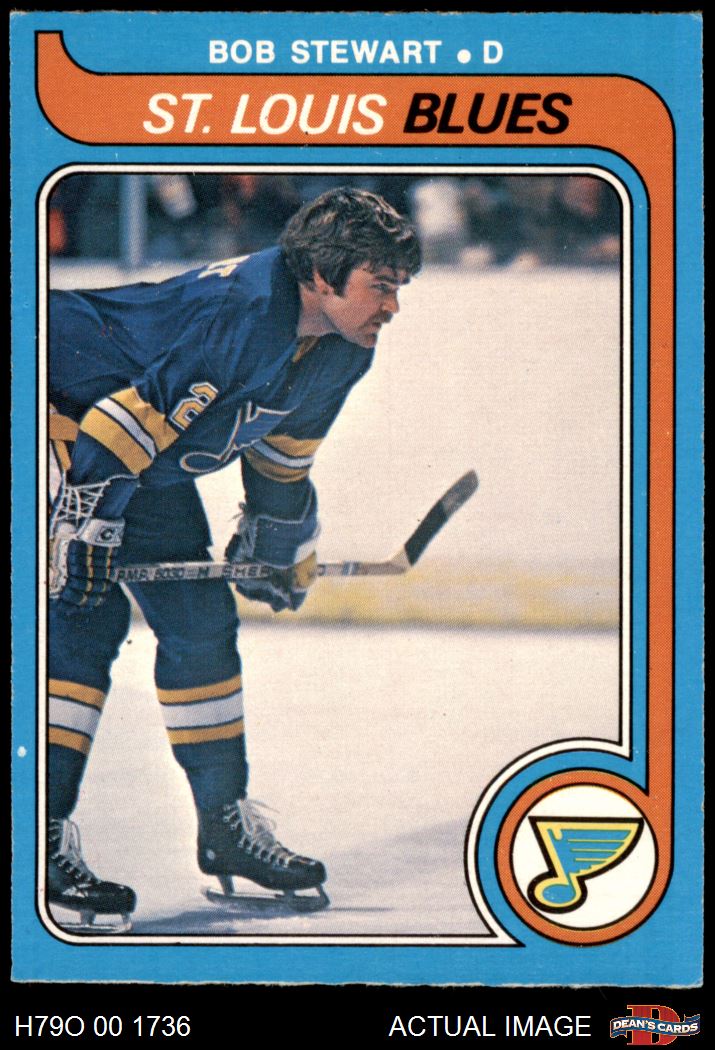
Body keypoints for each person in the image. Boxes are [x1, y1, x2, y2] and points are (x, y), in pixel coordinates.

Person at [46, 186, 422, 928]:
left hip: (132, 454)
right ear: (323, 275)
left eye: (398, 287)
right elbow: (116, 426)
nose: (392, 306)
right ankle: (35, 830)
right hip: (61, 405)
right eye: (380, 285)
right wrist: (83, 535)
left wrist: (277, 545)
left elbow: (282, 458)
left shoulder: (343, 348)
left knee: (200, 622)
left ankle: (223, 827)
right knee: (83, 618)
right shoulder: (247, 311)